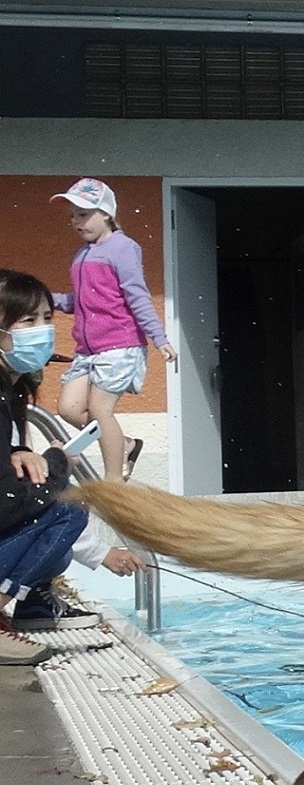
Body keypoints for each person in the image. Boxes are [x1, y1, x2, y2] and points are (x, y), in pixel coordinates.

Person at [0, 269, 139, 666]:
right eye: (26, 321)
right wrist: (58, 462)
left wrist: (20, 451)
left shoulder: (10, 389)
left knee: (56, 522)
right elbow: (10, 503)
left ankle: (34, 605)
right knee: (64, 512)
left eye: (46, 317)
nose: (41, 329)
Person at [49, 178, 176, 482]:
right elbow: (78, 302)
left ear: (105, 213)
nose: (76, 222)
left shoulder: (123, 248)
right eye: (72, 216)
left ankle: (113, 480)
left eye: (83, 214)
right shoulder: (81, 255)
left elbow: (137, 296)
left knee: (100, 411)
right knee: (68, 408)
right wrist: (44, 297)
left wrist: (159, 338)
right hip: (88, 350)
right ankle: (127, 445)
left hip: (120, 345)